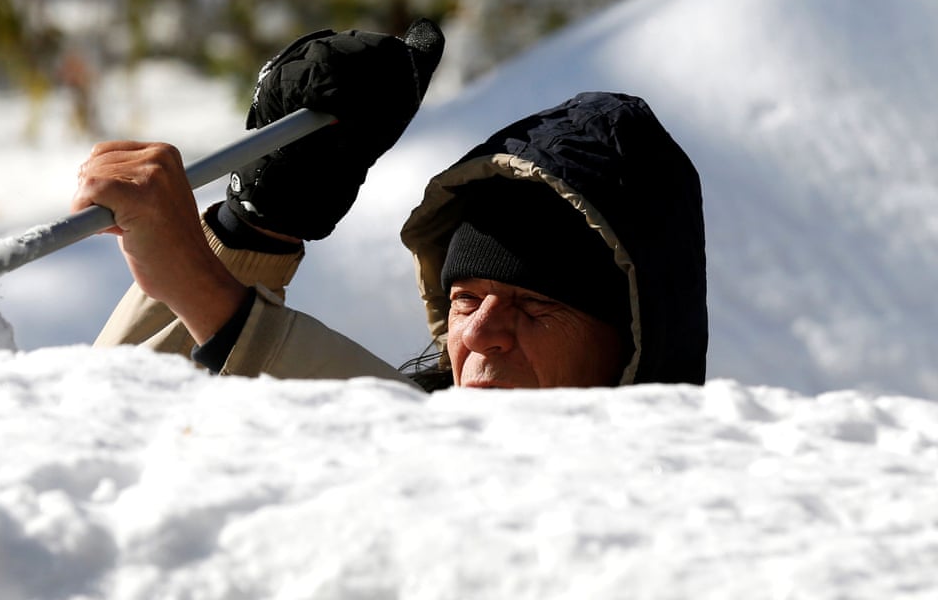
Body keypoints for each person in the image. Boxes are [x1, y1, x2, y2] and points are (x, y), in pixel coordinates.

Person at [75, 21, 707, 391]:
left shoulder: (687, 507)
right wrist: (254, 230)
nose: (479, 332)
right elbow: (110, 441)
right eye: (463, 298)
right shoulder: (416, 428)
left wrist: (204, 290)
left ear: (631, 338)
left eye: (535, 304)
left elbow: (441, 482)